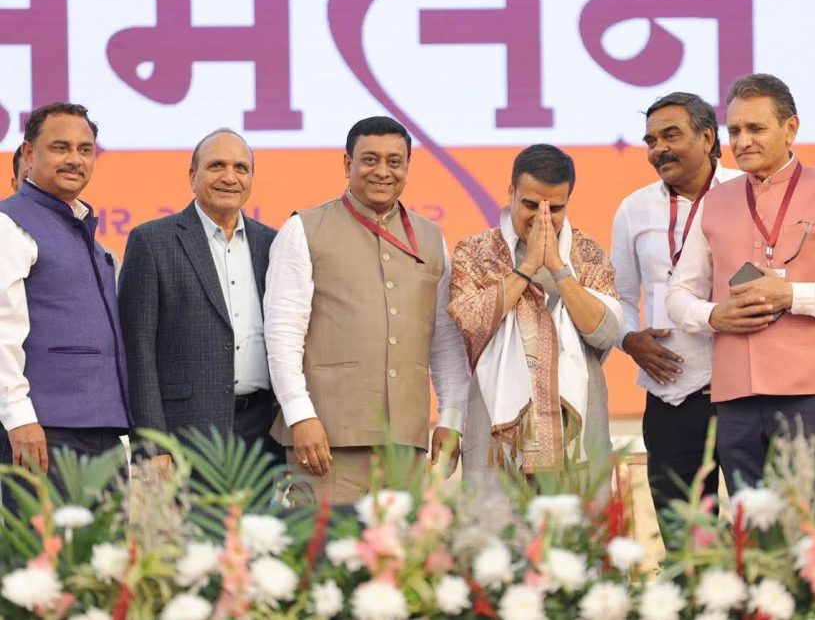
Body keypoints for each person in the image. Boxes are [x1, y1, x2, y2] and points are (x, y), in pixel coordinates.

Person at [665, 74, 815, 491]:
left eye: (756, 128)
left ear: (790, 128)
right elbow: (678, 293)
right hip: (736, 397)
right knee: (751, 523)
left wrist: (793, 296)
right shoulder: (714, 202)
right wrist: (714, 316)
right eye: (734, 131)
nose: (742, 141)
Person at [263, 116, 469, 504]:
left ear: (408, 167)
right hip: (325, 442)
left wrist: (451, 418)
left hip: (405, 446)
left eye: (395, 162)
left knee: (402, 545)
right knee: (325, 543)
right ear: (347, 164)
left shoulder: (430, 237)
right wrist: (300, 415)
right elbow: (282, 333)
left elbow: (445, 338)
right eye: (370, 159)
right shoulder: (304, 229)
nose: (382, 171)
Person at [448, 144, 622, 488]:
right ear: (510, 192)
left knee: (578, 522)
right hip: (496, 429)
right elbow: (469, 323)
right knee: (495, 521)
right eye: (530, 205)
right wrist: (526, 268)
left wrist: (559, 268)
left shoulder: (585, 252)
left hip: (577, 428)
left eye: (555, 208)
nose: (542, 218)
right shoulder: (476, 252)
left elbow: (605, 332)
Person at [611, 93, 742, 522]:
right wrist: (630, 340)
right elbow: (620, 297)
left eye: (671, 136)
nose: (659, 149)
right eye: (651, 141)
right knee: (685, 536)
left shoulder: (748, 192)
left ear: (707, 138)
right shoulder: (634, 208)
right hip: (673, 392)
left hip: (745, 392)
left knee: (760, 532)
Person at [118, 128, 282, 467]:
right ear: (192, 176)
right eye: (216, 166)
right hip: (183, 436)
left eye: (241, 168)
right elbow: (137, 352)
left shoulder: (272, 243)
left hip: (262, 434)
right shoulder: (152, 242)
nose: (229, 177)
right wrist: (152, 446)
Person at [0, 103, 132, 504]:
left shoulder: (87, 234)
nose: (75, 159)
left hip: (103, 433)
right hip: (41, 432)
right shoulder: (9, 224)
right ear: (28, 153)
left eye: (85, 149)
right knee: (44, 544)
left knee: (106, 544)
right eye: (60, 147)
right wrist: (19, 418)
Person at [11, 144, 122, 280]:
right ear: (15, 185)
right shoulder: (7, 244)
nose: (40, 188)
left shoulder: (104, 259)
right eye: (29, 179)